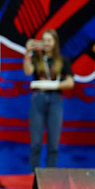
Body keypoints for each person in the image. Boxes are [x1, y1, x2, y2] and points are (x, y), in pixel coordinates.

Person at [22, 29, 74, 172]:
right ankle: (34, 175)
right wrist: (27, 53)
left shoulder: (62, 60)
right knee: (36, 143)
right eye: (44, 40)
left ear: (55, 42)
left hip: (55, 99)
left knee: (53, 143)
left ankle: (50, 176)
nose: (46, 43)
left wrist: (54, 85)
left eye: (49, 40)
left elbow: (70, 82)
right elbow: (27, 71)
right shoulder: (37, 58)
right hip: (38, 99)